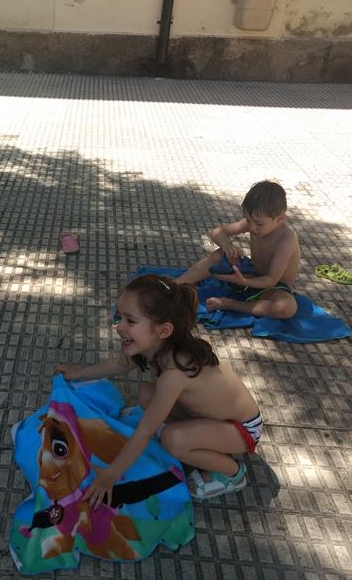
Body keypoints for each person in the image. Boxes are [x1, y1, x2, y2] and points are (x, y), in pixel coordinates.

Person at [54, 275, 262, 504]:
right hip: (212, 419)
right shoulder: (156, 345)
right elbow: (118, 364)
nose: (119, 326)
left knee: (173, 440)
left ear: (163, 330)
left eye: (130, 321)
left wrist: (111, 475)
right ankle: (201, 441)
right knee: (147, 395)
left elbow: (144, 432)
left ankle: (232, 472)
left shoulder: (175, 372)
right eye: (120, 317)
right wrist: (80, 373)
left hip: (242, 429)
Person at [174, 179, 300, 319]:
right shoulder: (254, 223)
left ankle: (231, 304)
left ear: (280, 219)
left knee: (286, 308)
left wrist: (243, 281)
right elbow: (217, 232)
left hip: (273, 288)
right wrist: (228, 246)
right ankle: (176, 285)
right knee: (219, 255)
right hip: (251, 273)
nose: (252, 228)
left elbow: (271, 280)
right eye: (248, 220)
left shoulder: (285, 240)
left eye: (259, 224)